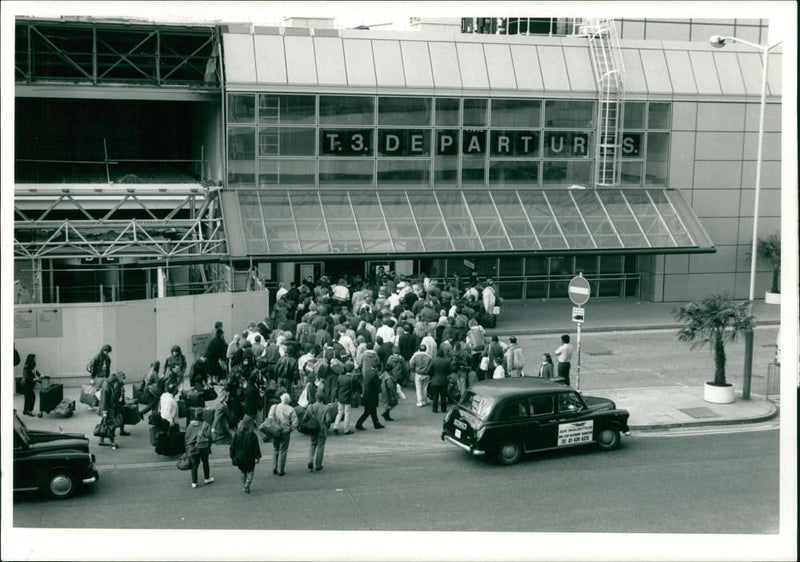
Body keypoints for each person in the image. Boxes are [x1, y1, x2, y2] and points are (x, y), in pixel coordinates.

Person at [267, 393, 298, 476]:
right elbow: (295, 422)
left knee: (275, 449)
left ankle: (274, 467)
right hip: (285, 431)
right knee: (283, 451)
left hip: (275, 431)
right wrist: (291, 428)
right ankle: (281, 470)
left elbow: (270, 417)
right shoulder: (291, 409)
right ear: (288, 400)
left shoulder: (274, 407)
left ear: (281, 399)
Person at [230, 416, 261, 494]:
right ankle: (248, 483)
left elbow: (232, 447)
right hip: (250, 457)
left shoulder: (237, 434)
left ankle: (244, 485)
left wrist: (233, 456)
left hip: (239, 457)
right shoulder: (252, 434)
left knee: (243, 472)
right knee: (250, 471)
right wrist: (257, 457)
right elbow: (256, 447)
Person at [185, 411, 214, 489]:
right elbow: (209, 437)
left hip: (192, 448)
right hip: (203, 447)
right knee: (205, 462)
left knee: (194, 465)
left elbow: (186, 437)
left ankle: (194, 482)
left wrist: (187, 448)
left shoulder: (190, 426)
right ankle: (207, 478)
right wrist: (209, 446)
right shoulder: (206, 425)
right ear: (202, 416)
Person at [355, 362, 385, 431]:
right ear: (377, 368)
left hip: (367, 395)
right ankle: (359, 424)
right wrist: (380, 379)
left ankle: (376, 423)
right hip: (372, 396)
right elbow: (377, 384)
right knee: (368, 412)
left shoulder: (368, 372)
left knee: (372, 411)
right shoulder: (374, 374)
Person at [305, 394, 330, 472]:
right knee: (320, 446)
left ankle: (310, 460)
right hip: (322, 429)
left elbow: (304, 418)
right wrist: (327, 426)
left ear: (315, 398)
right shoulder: (326, 408)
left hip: (313, 429)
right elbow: (328, 420)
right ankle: (318, 465)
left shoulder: (310, 407)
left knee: (312, 444)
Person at [98, 372, 122, 449]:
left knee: (105, 424)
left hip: (107, 409)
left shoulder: (107, 385)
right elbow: (104, 401)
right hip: (108, 410)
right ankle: (112, 442)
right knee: (111, 425)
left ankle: (101, 440)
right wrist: (104, 412)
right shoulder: (107, 388)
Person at [429, 349, 451, 414]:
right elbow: (450, 370)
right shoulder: (447, 361)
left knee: (435, 396)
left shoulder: (434, 361)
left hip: (435, 381)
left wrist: (432, 376)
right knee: (443, 396)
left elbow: (430, 370)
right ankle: (443, 409)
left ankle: (434, 409)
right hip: (444, 380)